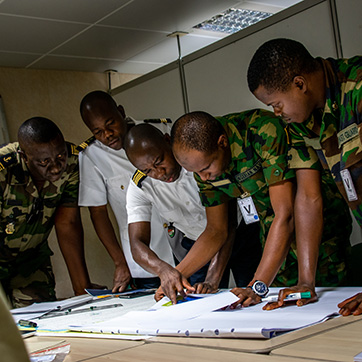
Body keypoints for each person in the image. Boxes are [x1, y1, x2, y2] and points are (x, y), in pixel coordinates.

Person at [171, 109, 351, 309]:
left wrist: (258, 285)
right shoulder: (203, 162)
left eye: (205, 169)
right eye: (196, 173)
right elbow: (216, 230)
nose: (203, 178)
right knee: (286, 308)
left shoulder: (261, 130)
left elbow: (287, 213)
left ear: (222, 143)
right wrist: (175, 275)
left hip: (317, 233)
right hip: (275, 239)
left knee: (331, 305)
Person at [247, 38, 362, 316]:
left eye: (276, 104)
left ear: (299, 84)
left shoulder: (358, 87)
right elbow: (309, 199)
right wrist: (306, 282)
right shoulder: (302, 123)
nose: (276, 113)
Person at [124, 123, 261, 303]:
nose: (159, 173)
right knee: (199, 301)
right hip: (197, 249)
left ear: (168, 141)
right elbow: (137, 245)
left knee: (251, 294)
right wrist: (164, 271)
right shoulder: (140, 186)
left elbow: (223, 228)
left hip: (240, 235)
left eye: (159, 162)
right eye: (147, 170)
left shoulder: (200, 165)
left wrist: (212, 279)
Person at [78, 90, 175, 292]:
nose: (107, 134)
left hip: (188, 247)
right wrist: (119, 262)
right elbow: (98, 213)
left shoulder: (160, 129)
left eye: (110, 124)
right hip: (147, 262)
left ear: (121, 112)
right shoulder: (92, 156)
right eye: (97, 132)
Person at [0, 117, 97, 308]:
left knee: (38, 317)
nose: (55, 167)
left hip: (31, 260)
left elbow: (67, 224)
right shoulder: (3, 169)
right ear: (24, 155)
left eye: (59, 156)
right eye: (44, 162)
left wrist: (83, 292)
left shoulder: (72, 162)